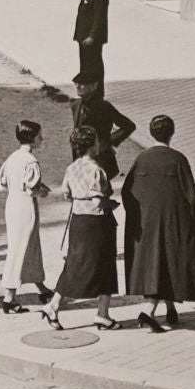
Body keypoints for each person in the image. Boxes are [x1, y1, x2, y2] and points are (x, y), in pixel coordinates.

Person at [124, 114, 195, 331]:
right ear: (172, 133)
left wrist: (138, 217)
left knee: (158, 263)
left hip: (148, 224)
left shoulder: (142, 158)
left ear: (151, 132)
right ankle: (148, 312)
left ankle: (170, 309)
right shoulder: (178, 159)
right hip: (173, 224)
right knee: (169, 261)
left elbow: (127, 191)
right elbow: (190, 194)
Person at [43, 125, 120, 330]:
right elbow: (97, 201)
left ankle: (55, 304)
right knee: (105, 264)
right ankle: (102, 313)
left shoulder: (72, 167)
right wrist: (110, 203)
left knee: (76, 263)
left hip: (77, 220)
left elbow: (66, 194)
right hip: (97, 223)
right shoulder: (96, 170)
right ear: (93, 145)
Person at [0, 120, 52, 312]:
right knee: (21, 248)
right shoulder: (31, 161)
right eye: (39, 136)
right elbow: (32, 189)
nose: (41, 138)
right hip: (25, 207)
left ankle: (42, 288)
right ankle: (9, 298)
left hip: (12, 204)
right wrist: (42, 191)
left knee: (29, 246)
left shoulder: (13, 157)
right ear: (32, 138)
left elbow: (2, 183)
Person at [69, 75, 136, 177]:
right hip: (80, 159)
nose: (77, 86)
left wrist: (108, 142)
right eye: (76, 83)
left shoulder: (104, 107)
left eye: (82, 84)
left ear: (94, 86)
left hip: (100, 159)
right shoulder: (75, 105)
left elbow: (128, 126)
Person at [72, 0, 109, 95]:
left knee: (94, 64)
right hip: (84, 37)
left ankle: (97, 91)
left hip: (91, 39)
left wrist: (92, 36)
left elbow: (99, 19)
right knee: (86, 64)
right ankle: (86, 89)